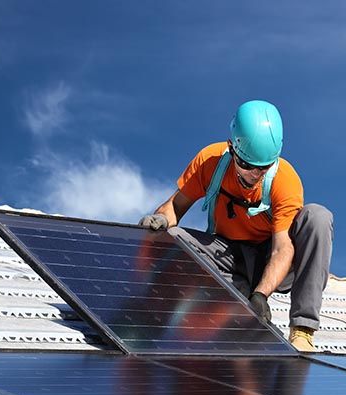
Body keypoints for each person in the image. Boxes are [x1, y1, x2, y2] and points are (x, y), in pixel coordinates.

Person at [139, 99, 333, 352]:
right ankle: (219, 296)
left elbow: (282, 248)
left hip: (271, 259)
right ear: (232, 149)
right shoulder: (209, 161)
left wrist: (261, 295)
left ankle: (303, 330)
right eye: (247, 166)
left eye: (263, 168)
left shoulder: (285, 180)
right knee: (171, 237)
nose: (255, 175)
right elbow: (175, 207)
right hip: (228, 257)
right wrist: (162, 221)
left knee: (317, 217)